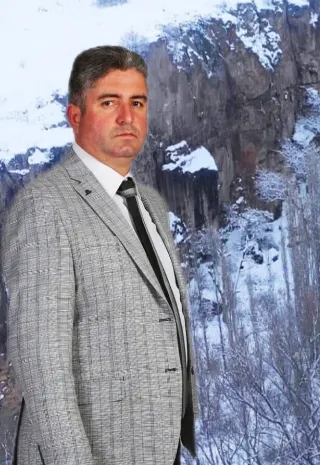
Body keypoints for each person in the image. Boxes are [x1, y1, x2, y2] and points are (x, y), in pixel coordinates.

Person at [1, 46, 198, 465]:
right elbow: (42, 366)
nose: (127, 117)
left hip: (157, 451)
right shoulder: (44, 208)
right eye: (109, 102)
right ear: (76, 116)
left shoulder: (151, 204)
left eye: (137, 103)